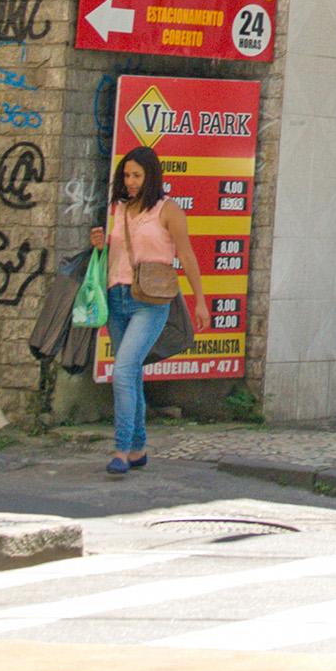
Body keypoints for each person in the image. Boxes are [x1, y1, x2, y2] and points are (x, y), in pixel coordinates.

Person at [91, 145, 204, 474]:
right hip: (116, 297)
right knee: (132, 373)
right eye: (126, 175)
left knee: (123, 371)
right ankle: (138, 449)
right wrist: (99, 245)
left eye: (137, 175)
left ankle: (121, 449)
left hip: (151, 302)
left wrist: (200, 300)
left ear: (151, 176)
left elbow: (187, 255)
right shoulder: (120, 208)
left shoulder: (168, 211)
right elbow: (116, 253)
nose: (130, 181)